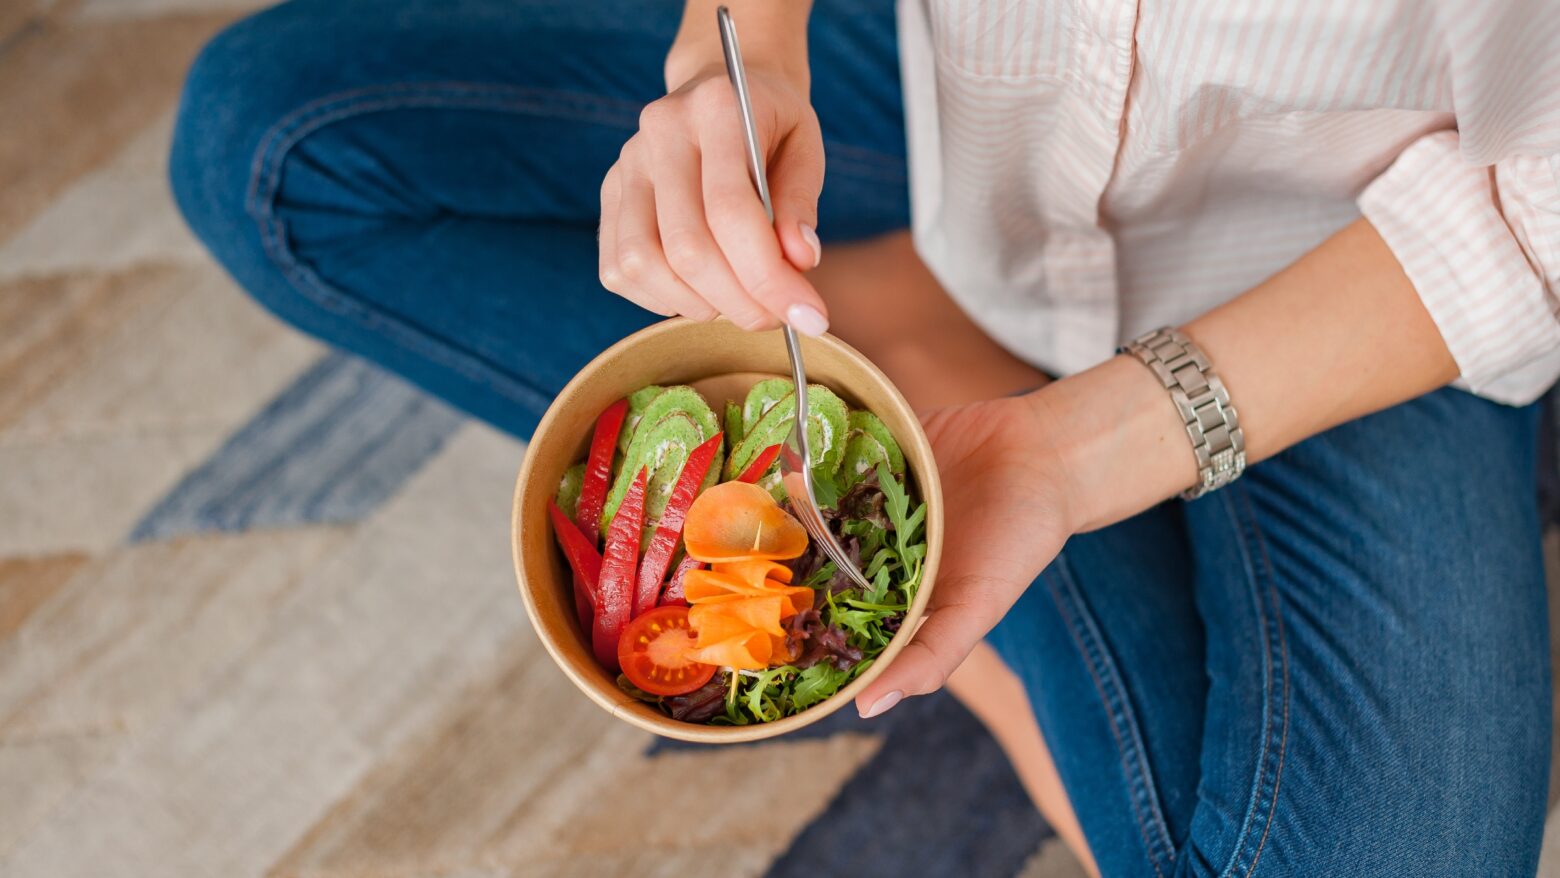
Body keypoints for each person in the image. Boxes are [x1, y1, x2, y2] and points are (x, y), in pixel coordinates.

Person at [169, 0, 1559, 874]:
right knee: (270, 141)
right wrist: (741, 53)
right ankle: (958, 486)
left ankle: (978, 507)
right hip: (963, 109)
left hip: (1353, 264)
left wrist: (1080, 454)